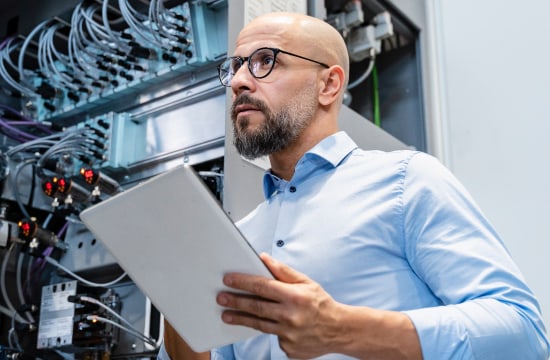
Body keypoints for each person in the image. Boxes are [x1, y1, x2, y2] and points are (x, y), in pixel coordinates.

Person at [158, 11, 549, 360]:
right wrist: (176, 290)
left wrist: (340, 328)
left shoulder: (406, 181)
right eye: (236, 66)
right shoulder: (240, 237)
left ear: (329, 85)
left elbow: (524, 335)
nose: (239, 81)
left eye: (264, 61)